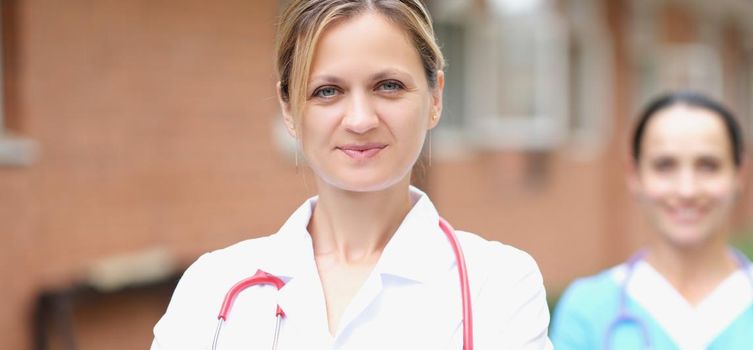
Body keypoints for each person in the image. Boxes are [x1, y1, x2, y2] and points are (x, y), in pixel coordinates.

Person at [151, 1, 552, 348]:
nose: (360, 120)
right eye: (327, 91)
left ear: (435, 98)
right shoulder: (212, 287)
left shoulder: (499, 285)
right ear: (289, 109)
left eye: (388, 86)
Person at [550, 91, 753, 349]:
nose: (687, 190)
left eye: (708, 165)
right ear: (634, 175)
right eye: (664, 165)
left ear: (740, 174)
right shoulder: (586, 307)